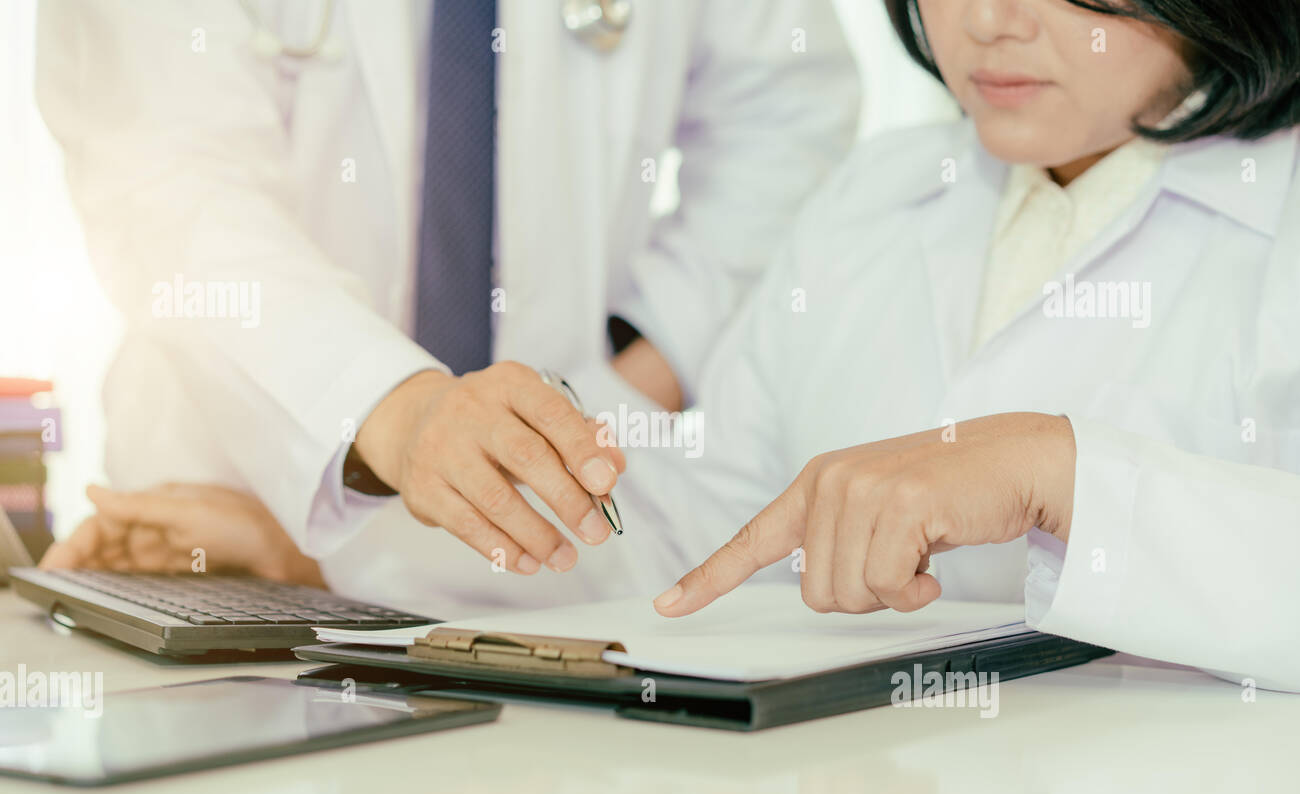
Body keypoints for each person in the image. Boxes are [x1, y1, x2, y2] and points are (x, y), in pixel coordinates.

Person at [35, 0, 859, 611]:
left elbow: (787, 109)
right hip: (236, 494)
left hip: (564, 518)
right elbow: (166, 185)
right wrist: (392, 411)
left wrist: (647, 358)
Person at [634, 0, 1300, 691]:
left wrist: (1065, 479)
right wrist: (540, 487)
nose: (986, 20)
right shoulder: (872, 191)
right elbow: (715, 539)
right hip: (866, 787)